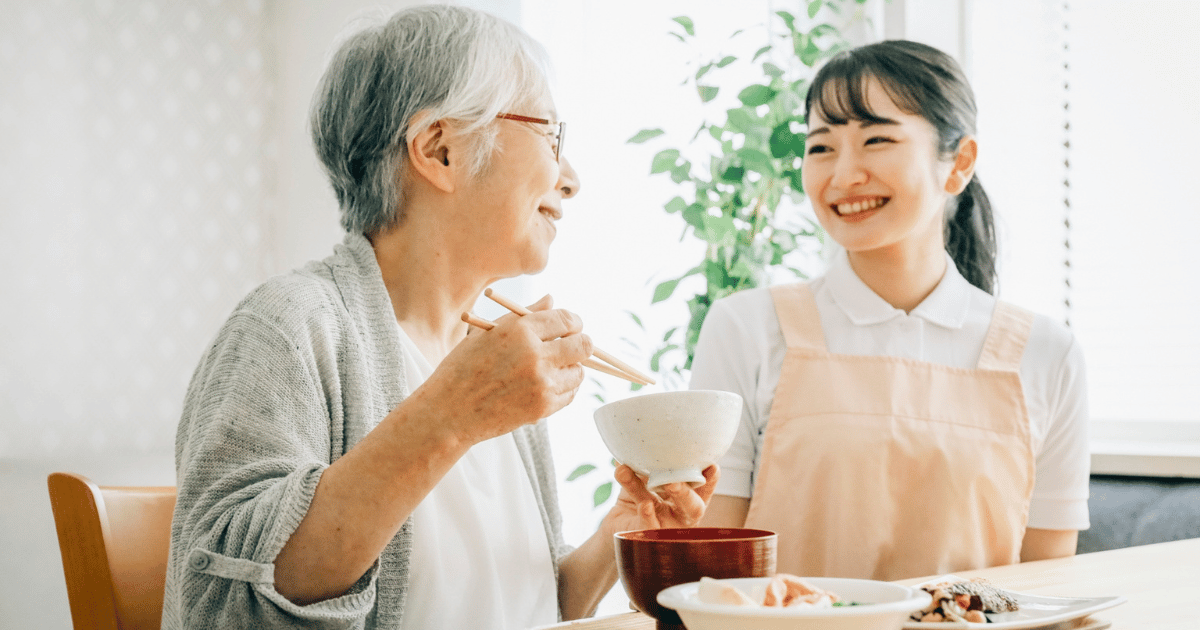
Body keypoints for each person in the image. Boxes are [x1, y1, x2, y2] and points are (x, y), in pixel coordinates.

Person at [163, 6, 717, 629]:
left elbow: (521, 606)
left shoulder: (498, 358)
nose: (571, 178)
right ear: (439, 150)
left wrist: (619, 533)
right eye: (550, 136)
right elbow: (224, 606)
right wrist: (455, 413)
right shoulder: (291, 326)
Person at [691, 40, 1089, 581]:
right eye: (821, 147)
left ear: (959, 164)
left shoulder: (1047, 353)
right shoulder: (745, 328)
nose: (844, 174)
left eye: (877, 140)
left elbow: (1047, 585)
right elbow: (716, 571)